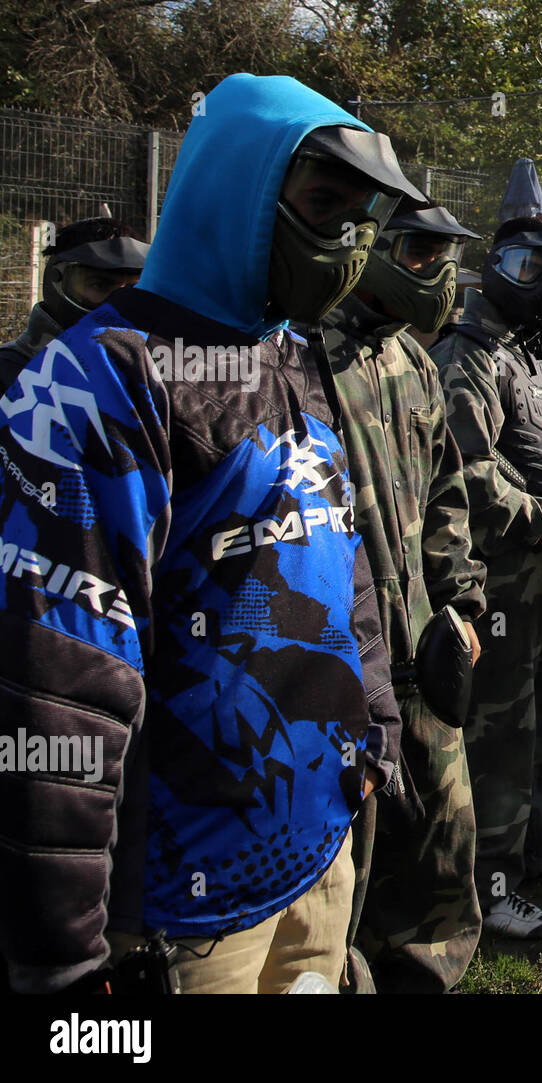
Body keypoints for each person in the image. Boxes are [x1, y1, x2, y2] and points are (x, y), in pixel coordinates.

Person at [0, 73, 430, 993]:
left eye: (362, 216)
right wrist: (65, 950)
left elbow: (337, 553)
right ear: (239, 191)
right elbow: (58, 682)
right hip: (178, 915)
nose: (349, 240)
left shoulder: (288, 352)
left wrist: (375, 733)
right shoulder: (98, 382)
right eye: (325, 204)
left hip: (317, 858)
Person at [313, 204, 488, 992]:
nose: (437, 271)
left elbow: (447, 494)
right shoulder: (304, 353)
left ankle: (428, 977)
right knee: (344, 858)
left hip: (426, 644)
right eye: (420, 251)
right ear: (368, 246)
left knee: (444, 848)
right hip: (340, 658)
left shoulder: (414, 364)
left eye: (446, 254)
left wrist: (464, 604)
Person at [430, 217, 542, 938]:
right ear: (495, 266)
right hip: (500, 574)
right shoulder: (465, 356)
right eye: (531, 268)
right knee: (501, 728)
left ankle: (533, 840)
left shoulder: (525, 356)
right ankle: (489, 883)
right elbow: (466, 472)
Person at [0, 216, 149, 395]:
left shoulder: (153, 378)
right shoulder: (9, 373)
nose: (118, 301)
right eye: (99, 285)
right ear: (57, 280)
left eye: (134, 287)